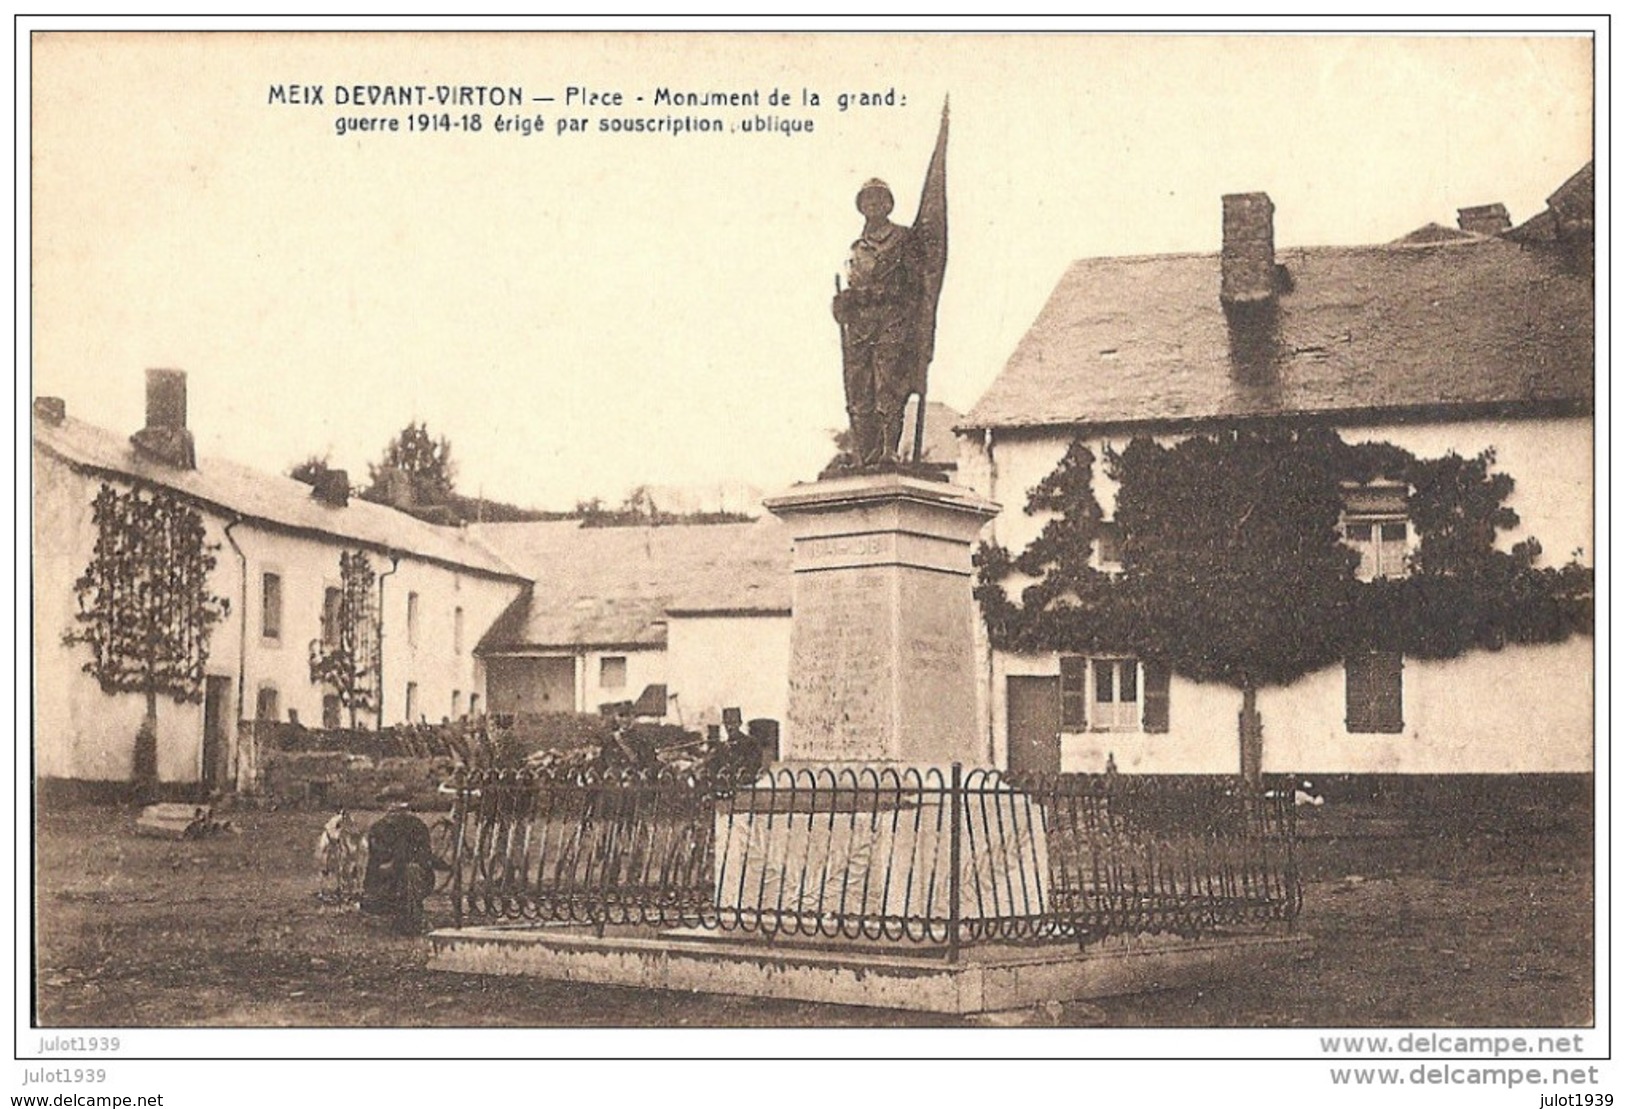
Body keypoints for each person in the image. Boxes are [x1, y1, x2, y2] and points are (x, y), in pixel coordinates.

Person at [833, 179, 921, 465]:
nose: (872, 204)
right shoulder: (856, 248)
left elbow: (916, 284)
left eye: (878, 199)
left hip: (891, 319)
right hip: (860, 325)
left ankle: (888, 450)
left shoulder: (902, 238)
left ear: (888, 204)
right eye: (866, 200)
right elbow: (853, 286)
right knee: (860, 386)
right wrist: (844, 302)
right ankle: (865, 452)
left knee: (888, 383)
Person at [359, 805, 442, 934]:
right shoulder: (378, 829)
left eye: (401, 804)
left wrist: (401, 862)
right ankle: (404, 917)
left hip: (414, 880)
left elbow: (424, 855)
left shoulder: (417, 826)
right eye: (391, 804)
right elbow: (378, 862)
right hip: (385, 882)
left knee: (412, 871)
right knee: (403, 873)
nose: (395, 810)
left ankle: (412, 919)